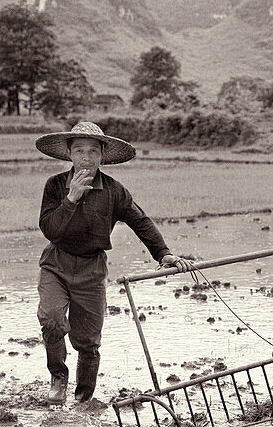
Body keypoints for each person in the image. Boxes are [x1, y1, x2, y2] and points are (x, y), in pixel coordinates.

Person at [35, 119, 193, 405]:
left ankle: (84, 399)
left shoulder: (114, 191)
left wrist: (164, 253)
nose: (86, 157)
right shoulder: (56, 186)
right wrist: (71, 199)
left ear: (102, 155)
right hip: (56, 265)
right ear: (69, 153)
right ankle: (58, 377)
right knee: (52, 320)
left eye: (93, 151)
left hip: (92, 270)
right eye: (79, 150)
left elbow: (140, 221)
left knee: (88, 342)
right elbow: (50, 229)